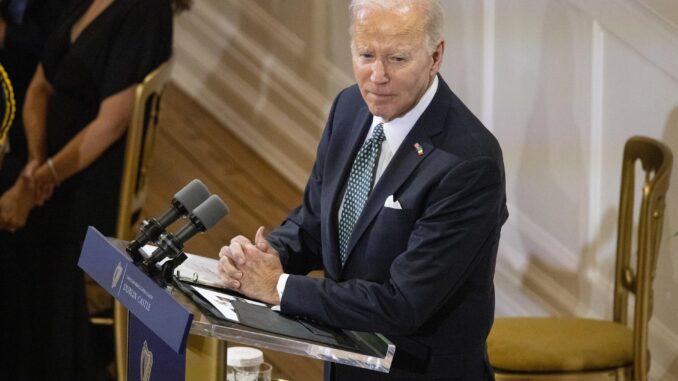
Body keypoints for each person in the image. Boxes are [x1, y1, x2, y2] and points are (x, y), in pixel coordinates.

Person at [218, 0, 508, 380]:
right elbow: (314, 223)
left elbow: (402, 304)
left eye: (397, 59)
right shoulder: (349, 107)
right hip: (344, 362)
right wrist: (262, 257)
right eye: (365, 54)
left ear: (435, 56)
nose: (377, 75)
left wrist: (279, 286)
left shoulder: (468, 163)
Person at [0, 0, 190, 379]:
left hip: (85, 187)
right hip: (49, 168)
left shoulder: (146, 13)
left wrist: (40, 180)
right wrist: (36, 165)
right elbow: (39, 87)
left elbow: (112, 123)